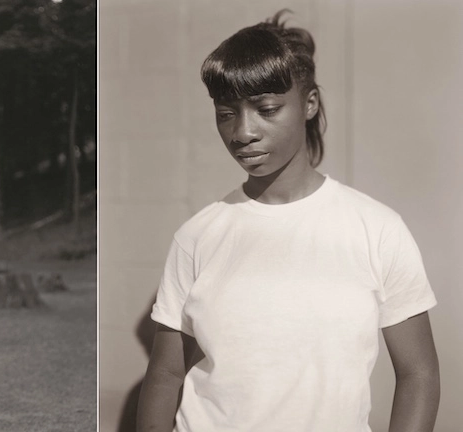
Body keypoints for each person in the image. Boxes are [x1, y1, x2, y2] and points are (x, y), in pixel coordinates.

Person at [136, 11, 440, 432]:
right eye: (227, 113)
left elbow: (419, 374)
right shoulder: (197, 237)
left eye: (266, 109)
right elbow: (166, 374)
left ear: (309, 103)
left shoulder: (377, 230)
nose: (243, 132)